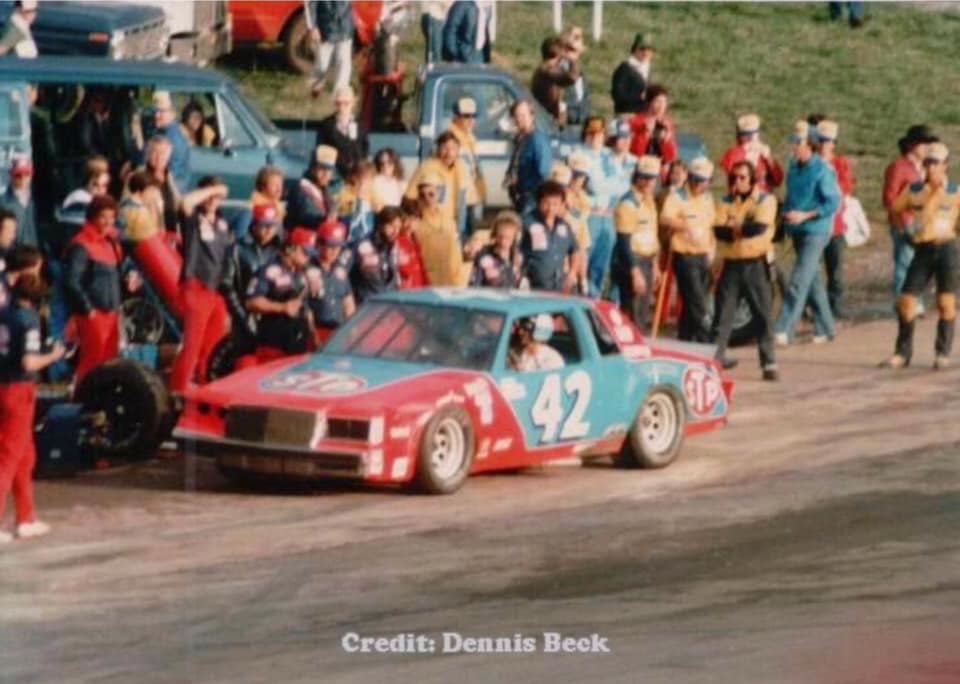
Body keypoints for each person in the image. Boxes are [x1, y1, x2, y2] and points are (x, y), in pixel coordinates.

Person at [883, 143, 960, 370]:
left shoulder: (955, 192)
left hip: (946, 248)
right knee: (906, 301)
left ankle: (942, 352)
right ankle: (902, 352)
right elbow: (895, 208)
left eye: (935, 163)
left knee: (946, 303)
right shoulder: (915, 190)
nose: (930, 167)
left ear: (945, 166)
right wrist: (904, 231)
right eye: (927, 163)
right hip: (923, 250)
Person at [0, 274, 64, 543]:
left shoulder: (3, 313)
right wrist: (53, 356)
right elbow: (28, 363)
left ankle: (25, 518)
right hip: (19, 390)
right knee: (8, 457)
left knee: (24, 456)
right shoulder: (29, 320)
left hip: (2, 385)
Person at [774, 121, 841, 346]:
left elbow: (833, 202)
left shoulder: (822, 170)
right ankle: (826, 327)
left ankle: (784, 329)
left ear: (811, 145)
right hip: (797, 230)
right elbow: (792, 196)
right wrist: (785, 216)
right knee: (812, 281)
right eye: (794, 143)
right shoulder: (793, 168)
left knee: (799, 279)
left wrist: (806, 215)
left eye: (799, 144)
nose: (794, 148)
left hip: (817, 230)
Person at [712, 161, 780, 380]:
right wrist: (738, 230)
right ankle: (715, 358)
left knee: (763, 314)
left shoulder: (765, 200)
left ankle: (769, 361)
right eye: (734, 178)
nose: (737, 182)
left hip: (755, 263)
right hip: (732, 263)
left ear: (752, 180)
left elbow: (759, 228)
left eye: (742, 177)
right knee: (723, 314)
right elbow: (718, 230)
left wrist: (736, 229)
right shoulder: (725, 201)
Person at [169, 178, 236, 395]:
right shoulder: (193, 219)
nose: (211, 201)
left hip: (215, 290)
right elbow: (185, 203)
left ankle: (204, 385)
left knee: (213, 343)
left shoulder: (223, 224)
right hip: (195, 286)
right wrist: (215, 188)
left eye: (215, 198)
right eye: (207, 196)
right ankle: (178, 390)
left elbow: (227, 256)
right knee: (193, 344)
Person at [64, 196, 123, 384]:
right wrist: (88, 309)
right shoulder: (81, 244)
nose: (108, 222)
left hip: (111, 312)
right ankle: (82, 400)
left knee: (109, 360)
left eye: (112, 217)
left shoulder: (110, 243)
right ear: (92, 217)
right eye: (103, 217)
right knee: (92, 360)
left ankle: (100, 400)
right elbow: (72, 281)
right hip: (94, 314)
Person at [661, 157, 716, 342]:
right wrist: (684, 225)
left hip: (703, 255)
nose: (701, 185)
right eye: (697, 180)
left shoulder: (707, 198)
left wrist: (712, 249)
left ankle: (684, 340)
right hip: (685, 256)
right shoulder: (677, 197)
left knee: (691, 303)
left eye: (705, 181)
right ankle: (708, 343)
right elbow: (665, 218)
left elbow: (711, 225)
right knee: (698, 303)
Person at [884, 124, 937, 311]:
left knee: (920, 263)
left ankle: (915, 301)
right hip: (904, 222)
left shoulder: (923, 168)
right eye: (924, 144)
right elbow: (890, 198)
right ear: (912, 146)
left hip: (921, 223)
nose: (928, 148)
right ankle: (904, 304)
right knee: (904, 263)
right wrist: (899, 220)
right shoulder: (899, 167)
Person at [244, 228, 315, 363]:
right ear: (292, 249)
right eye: (305, 253)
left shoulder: (303, 274)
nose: (308, 258)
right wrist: (282, 307)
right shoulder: (269, 270)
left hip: (298, 343)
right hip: (274, 343)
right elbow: (251, 302)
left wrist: (313, 336)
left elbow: (306, 308)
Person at [811, 119, 854, 319]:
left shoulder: (840, 164)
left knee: (835, 271)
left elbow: (843, 189)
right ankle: (814, 307)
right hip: (814, 225)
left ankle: (835, 307)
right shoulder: (810, 162)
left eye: (828, 141)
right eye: (821, 140)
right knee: (812, 269)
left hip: (835, 226)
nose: (825, 145)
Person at [612, 156, 661, 331]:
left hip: (646, 260)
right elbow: (624, 242)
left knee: (641, 314)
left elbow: (651, 236)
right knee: (632, 316)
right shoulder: (628, 203)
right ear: (636, 177)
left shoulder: (649, 201)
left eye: (652, 178)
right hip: (632, 262)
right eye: (644, 177)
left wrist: (654, 265)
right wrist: (635, 272)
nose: (648, 182)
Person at [405, 131, 477, 240]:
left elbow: (467, 202)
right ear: (438, 149)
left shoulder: (462, 168)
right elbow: (409, 198)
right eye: (444, 148)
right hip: (431, 227)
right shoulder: (428, 167)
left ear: (458, 150)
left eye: (453, 148)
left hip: (453, 229)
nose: (449, 153)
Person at [521, 180, 580, 293]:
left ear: (562, 204)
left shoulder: (564, 226)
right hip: (534, 286)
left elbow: (575, 250)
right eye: (546, 203)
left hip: (560, 285)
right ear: (538, 202)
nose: (550, 208)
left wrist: (572, 273)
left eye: (555, 204)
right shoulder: (527, 223)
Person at [578, 117, 615, 297]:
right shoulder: (578, 154)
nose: (594, 137)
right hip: (589, 214)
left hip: (607, 215)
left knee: (602, 264)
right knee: (584, 259)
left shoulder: (610, 156)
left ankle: (596, 299)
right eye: (590, 133)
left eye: (598, 133)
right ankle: (584, 298)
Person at [306, 221, 355, 346]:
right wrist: (313, 334)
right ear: (319, 245)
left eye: (338, 246)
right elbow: (305, 307)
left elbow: (348, 303)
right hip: (316, 330)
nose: (334, 251)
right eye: (330, 246)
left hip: (338, 332)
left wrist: (352, 330)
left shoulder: (341, 270)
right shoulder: (307, 269)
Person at [412, 170, 464, 287]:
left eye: (431, 194)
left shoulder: (449, 220)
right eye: (422, 195)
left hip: (449, 280)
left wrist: (458, 279)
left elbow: (456, 253)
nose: (427, 199)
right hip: (427, 282)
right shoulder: (415, 223)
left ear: (438, 194)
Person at [505, 100, 553, 213]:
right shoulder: (520, 139)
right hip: (520, 196)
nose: (519, 119)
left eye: (523, 115)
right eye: (516, 116)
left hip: (532, 198)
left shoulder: (538, 140)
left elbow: (544, 172)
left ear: (532, 116)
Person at [447, 97, 485, 239]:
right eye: (466, 116)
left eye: (474, 116)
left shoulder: (470, 138)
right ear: (456, 117)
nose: (471, 120)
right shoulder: (450, 139)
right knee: (459, 234)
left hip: (472, 196)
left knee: (470, 236)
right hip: (459, 196)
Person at [719, 114, 785, 194]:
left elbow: (778, 181)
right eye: (744, 135)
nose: (749, 139)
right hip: (740, 199)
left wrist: (769, 158)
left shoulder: (764, 153)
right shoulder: (734, 153)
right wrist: (745, 155)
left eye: (751, 135)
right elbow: (732, 177)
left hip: (763, 198)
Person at [314, 85, 369, 179]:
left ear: (353, 103)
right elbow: (321, 149)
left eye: (346, 103)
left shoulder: (360, 124)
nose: (342, 107)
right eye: (338, 103)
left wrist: (360, 166)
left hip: (356, 174)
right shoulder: (327, 125)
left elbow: (365, 147)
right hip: (334, 174)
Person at [551, 161, 590, 294]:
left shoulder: (576, 217)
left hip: (567, 275)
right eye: (554, 188)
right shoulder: (535, 214)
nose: (559, 192)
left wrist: (582, 279)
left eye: (563, 187)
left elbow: (581, 249)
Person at [350, 206, 402, 304]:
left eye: (398, 227)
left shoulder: (394, 247)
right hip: (367, 305)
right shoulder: (363, 246)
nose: (395, 231)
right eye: (391, 226)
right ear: (380, 225)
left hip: (390, 305)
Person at [306, 0, 354, 96]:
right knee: (322, 63)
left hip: (345, 27)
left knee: (344, 63)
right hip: (325, 27)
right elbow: (310, 4)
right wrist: (313, 27)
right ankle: (317, 84)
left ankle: (339, 94)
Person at [531, 36, 580, 128]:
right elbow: (572, 78)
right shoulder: (546, 70)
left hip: (553, 120)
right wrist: (573, 60)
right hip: (546, 121)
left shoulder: (549, 70)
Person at [137, 136, 181, 235]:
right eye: (155, 152)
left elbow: (178, 204)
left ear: (169, 156)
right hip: (150, 237)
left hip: (170, 235)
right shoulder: (138, 175)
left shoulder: (168, 176)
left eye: (163, 153)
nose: (159, 157)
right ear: (148, 154)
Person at [287, 145, 338, 231]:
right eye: (322, 168)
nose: (326, 174)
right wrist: (323, 220)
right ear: (312, 168)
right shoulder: (302, 189)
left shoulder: (326, 190)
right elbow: (306, 216)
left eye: (329, 170)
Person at [469, 209, 524, 289]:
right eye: (500, 236)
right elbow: (474, 285)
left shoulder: (518, 258)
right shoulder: (483, 255)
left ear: (515, 237)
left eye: (508, 238)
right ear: (495, 234)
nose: (503, 241)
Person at [237, 203, 283, 295]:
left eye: (273, 225)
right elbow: (229, 285)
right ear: (254, 226)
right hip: (245, 303)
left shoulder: (280, 249)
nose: (269, 230)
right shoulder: (239, 249)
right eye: (265, 225)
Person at [628, 84, 677, 169]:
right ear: (649, 102)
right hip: (639, 167)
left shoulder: (667, 123)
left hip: (659, 169)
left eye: (664, 101)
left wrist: (666, 141)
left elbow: (671, 157)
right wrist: (645, 134)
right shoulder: (636, 122)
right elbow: (635, 154)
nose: (662, 105)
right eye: (658, 101)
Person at [151, 91, 191, 192]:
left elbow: (168, 177)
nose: (156, 115)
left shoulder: (174, 140)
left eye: (161, 111)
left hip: (169, 192)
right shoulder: (161, 131)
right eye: (155, 111)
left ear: (172, 114)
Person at [611, 32, 654, 115]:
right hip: (627, 114)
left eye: (649, 50)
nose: (645, 53)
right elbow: (617, 95)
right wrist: (639, 97)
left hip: (644, 115)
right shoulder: (624, 69)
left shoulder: (647, 69)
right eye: (642, 49)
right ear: (634, 50)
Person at [337, 159, 377, 245]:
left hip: (367, 242)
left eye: (367, 182)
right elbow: (343, 221)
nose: (362, 185)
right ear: (352, 179)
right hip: (348, 241)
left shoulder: (373, 197)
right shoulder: (345, 196)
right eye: (359, 181)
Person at [1, 156, 37, 249]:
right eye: (18, 174)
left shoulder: (38, 199)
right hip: (14, 257)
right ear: (11, 175)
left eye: (27, 173)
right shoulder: (2, 203)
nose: (22, 178)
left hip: (37, 255)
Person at [442, 0, 491, 65]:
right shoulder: (461, 5)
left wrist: (486, 56)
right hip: (464, 56)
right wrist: (457, 54)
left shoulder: (482, 6)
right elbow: (450, 30)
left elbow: (484, 31)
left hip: (479, 55)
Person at [396, 198, 429, 289]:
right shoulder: (397, 241)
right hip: (405, 292)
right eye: (407, 219)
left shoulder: (416, 241)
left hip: (420, 289)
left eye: (414, 219)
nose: (410, 224)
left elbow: (422, 270)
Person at [561, 26, 591, 126]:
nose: (575, 40)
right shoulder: (558, 70)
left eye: (578, 38)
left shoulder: (583, 75)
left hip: (581, 125)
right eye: (575, 37)